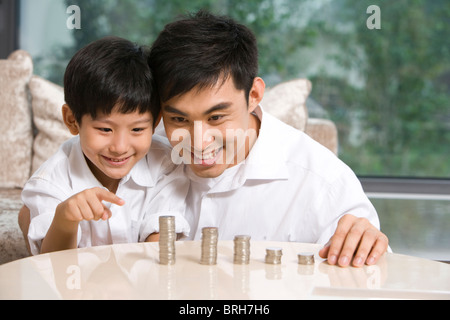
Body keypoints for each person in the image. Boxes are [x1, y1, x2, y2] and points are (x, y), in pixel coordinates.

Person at [149, 10, 389, 267]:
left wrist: (364, 242)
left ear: (253, 95)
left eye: (216, 118)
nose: (198, 142)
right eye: (179, 120)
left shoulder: (322, 183)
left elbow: (374, 273)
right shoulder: (140, 152)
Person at [19, 36, 189, 255]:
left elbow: (161, 242)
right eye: (105, 130)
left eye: (137, 129)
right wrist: (65, 219)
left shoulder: (167, 163)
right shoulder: (51, 182)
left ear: (155, 122)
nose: (119, 147)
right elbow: (52, 266)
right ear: (72, 120)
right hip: (76, 287)